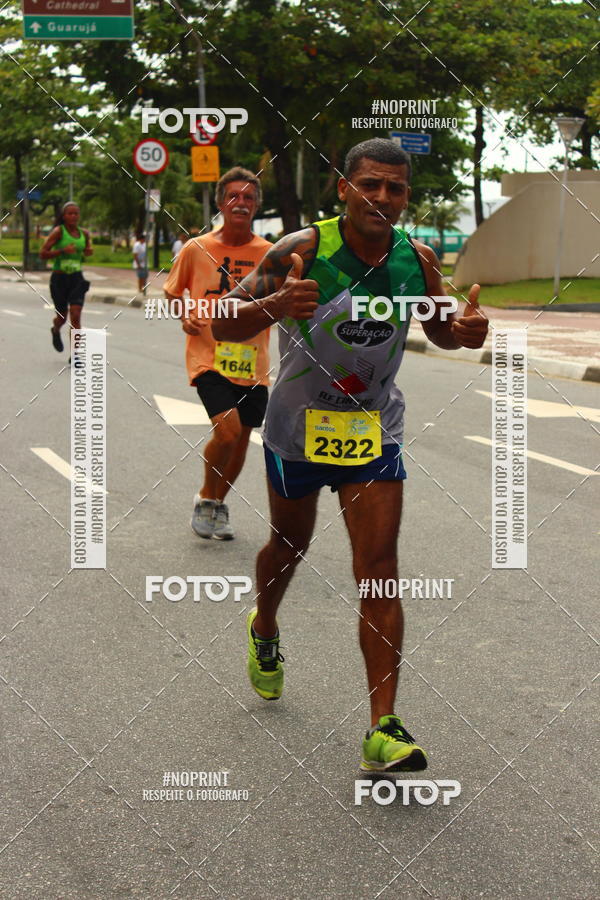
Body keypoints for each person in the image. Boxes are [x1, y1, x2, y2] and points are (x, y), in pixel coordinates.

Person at [212, 139, 489, 773]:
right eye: (370, 185)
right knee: (289, 547)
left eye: (395, 189)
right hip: (296, 429)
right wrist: (275, 304)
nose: (382, 198)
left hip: (373, 430)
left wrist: (467, 331)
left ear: (406, 196)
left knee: (381, 565)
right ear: (344, 188)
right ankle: (265, 628)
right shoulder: (302, 250)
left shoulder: (415, 260)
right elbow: (223, 321)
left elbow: (442, 327)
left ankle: (383, 727)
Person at [164, 167, 272, 541]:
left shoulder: (270, 254)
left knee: (241, 439)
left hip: (253, 362)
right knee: (226, 433)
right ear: (221, 204)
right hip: (208, 357)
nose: (240, 203)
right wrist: (185, 318)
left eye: (248, 197)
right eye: (233, 197)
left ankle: (216, 503)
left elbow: (282, 299)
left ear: (257, 205)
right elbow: (172, 293)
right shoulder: (197, 249)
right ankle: (207, 497)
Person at [40, 201, 93, 357]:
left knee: (75, 315)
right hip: (59, 278)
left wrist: (88, 252)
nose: (73, 216)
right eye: (70, 213)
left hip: (77, 278)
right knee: (62, 317)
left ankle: (76, 354)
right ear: (64, 216)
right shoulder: (58, 232)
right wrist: (63, 251)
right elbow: (43, 254)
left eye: (76, 213)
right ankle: (56, 329)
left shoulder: (85, 234)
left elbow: (86, 251)